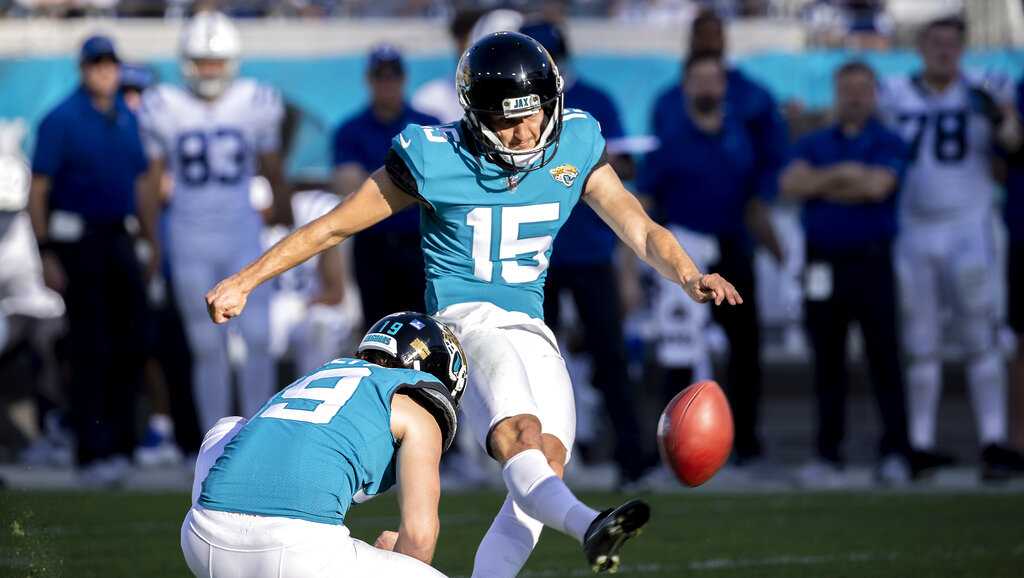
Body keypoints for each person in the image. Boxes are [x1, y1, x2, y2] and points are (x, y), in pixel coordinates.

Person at [206, 32, 741, 575]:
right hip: (465, 323)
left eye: (533, 114)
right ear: (476, 115)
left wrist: (689, 275)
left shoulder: (576, 140)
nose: (526, 131)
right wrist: (246, 280)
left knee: (545, 468)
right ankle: (589, 525)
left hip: (531, 326)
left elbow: (641, 229)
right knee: (521, 438)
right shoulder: (436, 157)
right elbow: (331, 226)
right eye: (508, 121)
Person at [181, 312, 466, 577]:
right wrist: (401, 559)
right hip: (297, 552)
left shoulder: (324, 373)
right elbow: (419, 538)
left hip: (201, 536)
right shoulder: (416, 410)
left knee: (229, 426)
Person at [879, 16, 1024, 480]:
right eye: (936, 43)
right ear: (920, 46)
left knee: (981, 338)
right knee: (921, 345)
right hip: (913, 231)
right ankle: (920, 444)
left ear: (962, 48)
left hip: (969, 228)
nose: (944, 51)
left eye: (952, 44)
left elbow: (1012, 144)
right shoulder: (893, 92)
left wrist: (1001, 114)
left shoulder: (985, 90)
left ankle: (993, 442)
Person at [137, 11, 291, 433]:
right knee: (207, 347)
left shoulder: (255, 100)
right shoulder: (164, 105)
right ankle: (216, 440)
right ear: (186, 62)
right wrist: (153, 241)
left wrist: (284, 221)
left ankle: (260, 437)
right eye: (202, 62)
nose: (209, 70)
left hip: (243, 233)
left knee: (258, 339)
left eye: (216, 61)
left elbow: (274, 169)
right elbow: (150, 182)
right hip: (189, 236)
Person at [649, 9, 787, 465]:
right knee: (677, 349)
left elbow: (761, 190)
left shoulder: (741, 134)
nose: (708, 87)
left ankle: (745, 441)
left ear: (724, 83)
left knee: (744, 346)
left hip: (733, 246)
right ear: (687, 84)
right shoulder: (670, 135)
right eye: (699, 80)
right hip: (683, 249)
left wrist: (772, 242)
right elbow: (647, 199)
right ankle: (674, 445)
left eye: (715, 80)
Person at [519, 19, 655, 485]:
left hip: (589, 248)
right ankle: (534, 464)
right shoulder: (515, 107)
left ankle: (631, 456)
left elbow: (620, 168)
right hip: (535, 252)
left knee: (610, 356)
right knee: (533, 365)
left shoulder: (592, 102)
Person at [780, 61, 916, 485]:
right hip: (823, 262)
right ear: (837, 94)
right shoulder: (816, 140)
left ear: (874, 94)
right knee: (827, 361)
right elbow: (791, 185)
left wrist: (823, 182)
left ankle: (896, 451)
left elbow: (878, 187)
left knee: (884, 359)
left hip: (872, 261)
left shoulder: (888, 139)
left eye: (862, 89)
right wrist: (845, 175)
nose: (854, 97)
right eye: (847, 89)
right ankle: (827, 453)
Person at [28, 35, 152, 486]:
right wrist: (46, 252)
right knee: (90, 346)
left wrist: (150, 242)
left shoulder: (124, 117)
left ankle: (123, 444)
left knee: (132, 341)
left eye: (110, 64)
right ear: (83, 69)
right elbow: (38, 188)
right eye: (96, 64)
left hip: (119, 237)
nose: (104, 72)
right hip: (78, 242)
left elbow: (140, 184)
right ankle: (90, 449)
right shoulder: (61, 119)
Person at [332, 44, 439, 328]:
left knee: (425, 330)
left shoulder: (428, 126)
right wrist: (411, 184)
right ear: (370, 80)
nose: (387, 82)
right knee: (375, 331)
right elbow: (346, 184)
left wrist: (375, 184)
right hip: (373, 245)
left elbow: (439, 186)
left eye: (393, 75)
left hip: (421, 245)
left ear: (403, 79)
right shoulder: (350, 130)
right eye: (380, 76)